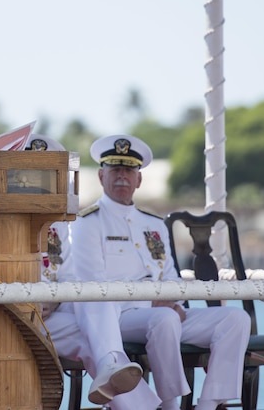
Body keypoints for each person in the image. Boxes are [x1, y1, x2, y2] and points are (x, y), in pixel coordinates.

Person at [62, 134, 252, 410]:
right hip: (120, 317)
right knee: (164, 318)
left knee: (235, 318)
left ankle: (209, 404)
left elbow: (172, 276)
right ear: (101, 177)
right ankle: (169, 405)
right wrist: (153, 303)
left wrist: (173, 301)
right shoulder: (87, 224)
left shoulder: (153, 224)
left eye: (128, 171)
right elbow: (94, 289)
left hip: (165, 313)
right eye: (115, 170)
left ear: (138, 179)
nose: (122, 177)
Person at [26, 134, 159, 409]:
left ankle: (110, 370)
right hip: (16, 317)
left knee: (94, 319)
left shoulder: (59, 222)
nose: (39, 183)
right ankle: (141, 402)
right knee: (97, 344)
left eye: (47, 175)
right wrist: (30, 300)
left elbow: (72, 276)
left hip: (50, 317)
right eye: (31, 174)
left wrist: (53, 298)